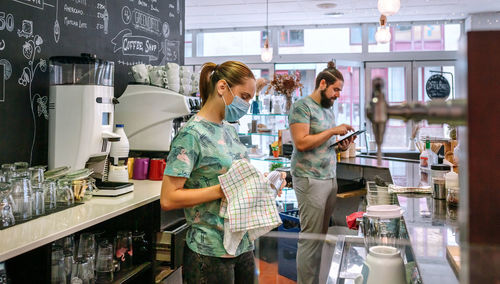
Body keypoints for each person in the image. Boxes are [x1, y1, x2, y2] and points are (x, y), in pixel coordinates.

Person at [160, 61, 282, 284]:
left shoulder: (229, 130)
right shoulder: (191, 134)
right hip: (209, 252)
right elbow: (169, 198)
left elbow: (235, 177)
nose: (246, 104)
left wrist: (262, 184)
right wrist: (220, 190)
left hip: (242, 246)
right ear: (222, 88)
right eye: (244, 97)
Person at [288, 61, 356, 284]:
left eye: (340, 91)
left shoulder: (328, 109)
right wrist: (333, 131)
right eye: (336, 89)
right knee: (310, 239)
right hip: (309, 179)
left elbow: (324, 144)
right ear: (322, 84)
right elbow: (301, 142)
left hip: (328, 177)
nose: (338, 95)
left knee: (320, 236)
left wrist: (341, 145)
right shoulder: (301, 106)